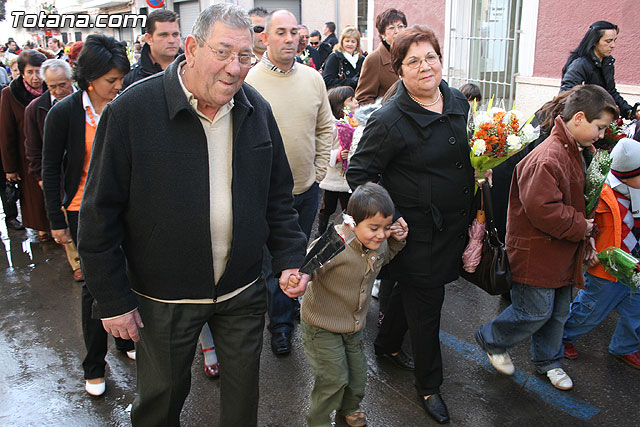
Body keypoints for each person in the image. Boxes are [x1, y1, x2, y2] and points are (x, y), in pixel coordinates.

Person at [76, 5, 308, 425]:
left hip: (241, 291)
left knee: (243, 401)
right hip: (164, 299)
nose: (235, 68)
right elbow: (98, 215)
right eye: (223, 52)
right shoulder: (132, 111)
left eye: (244, 56)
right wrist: (112, 300)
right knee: (160, 401)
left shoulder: (255, 109)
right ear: (192, 48)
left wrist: (290, 258)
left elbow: (277, 196)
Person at [347, 25, 475, 424]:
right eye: (413, 61)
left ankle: (386, 344)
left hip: (455, 224)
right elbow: (359, 173)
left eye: (430, 57)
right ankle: (429, 385)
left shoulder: (457, 100)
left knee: (410, 291)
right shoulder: (389, 119)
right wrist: (392, 216)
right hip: (416, 234)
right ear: (399, 70)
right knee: (428, 307)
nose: (425, 67)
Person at [474, 85, 619, 392]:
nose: (602, 134)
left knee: (558, 313)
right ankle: (492, 338)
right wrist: (581, 228)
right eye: (599, 126)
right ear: (579, 118)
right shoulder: (548, 157)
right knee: (533, 312)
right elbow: (543, 210)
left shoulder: (578, 150)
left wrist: (586, 236)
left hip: (562, 252)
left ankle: (548, 361)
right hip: (536, 254)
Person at [42, 35, 136, 397]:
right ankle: (94, 365)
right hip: (82, 210)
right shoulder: (64, 113)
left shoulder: (125, 105)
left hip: (125, 210)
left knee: (128, 277)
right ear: (90, 79)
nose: (118, 86)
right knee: (96, 288)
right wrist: (56, 220)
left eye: (121, 78)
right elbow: (51, 169)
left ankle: (125, 340)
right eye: (112, 80)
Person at [246, 9, 333, 356]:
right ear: (265, 38)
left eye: (293, 31)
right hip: (267, 197)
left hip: (306, 189)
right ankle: (280, 326)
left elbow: (325, 126)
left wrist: (319, 170)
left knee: (297, 256)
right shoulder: (249, 82)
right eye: (280, 32)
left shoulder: (313, 79)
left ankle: (287, 304)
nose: (289, 38)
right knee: (274, 264)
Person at [300, 182, 406, 427]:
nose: (381, 235)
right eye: (374, 228)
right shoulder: (336, 244)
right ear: (353, 222)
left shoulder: (379, 244)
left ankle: (349, 407)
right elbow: (307, 266)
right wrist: (299, 277)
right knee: (333, 379)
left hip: (353, 328)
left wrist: (396, 242)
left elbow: (385, 257)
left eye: (386, 227)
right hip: (321, 327)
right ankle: (318, 421)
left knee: (358, 375)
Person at [562, 137, 640, 369]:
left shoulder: (636, 189)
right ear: (627, 174)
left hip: (634, 264)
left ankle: (625, 346)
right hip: (606, 267)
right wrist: (589, 248)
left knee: (636, 309)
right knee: (590, 310)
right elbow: (585, 225)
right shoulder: (601, 192)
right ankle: (563, 336)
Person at [24, 58, 83, 281]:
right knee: (67, 218)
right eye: (52, 87)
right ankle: (77, 262)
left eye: (62, 85)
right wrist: (39, 174)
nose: (58, 91)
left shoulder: (85, 102)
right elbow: (33, 146)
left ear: (71, 80)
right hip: (58, 176)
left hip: (83, 173)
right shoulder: (36, 109)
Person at [0, 50, 51, 240]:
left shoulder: (52, 88)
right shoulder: (10, 94)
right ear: (22, 73)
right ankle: (42, 229)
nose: (35, 77)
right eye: (30, 72)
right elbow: (6, 133)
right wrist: (10, 168)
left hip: (50, 151)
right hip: (26, 155)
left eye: (39, 71)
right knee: (34, 197)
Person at [561, 21, 640, 121]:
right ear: (594, 41)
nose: (613, 45)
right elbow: (567, 96)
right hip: (582, 121)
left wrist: (629, 111)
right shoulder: (580, 65)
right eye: (608, 41)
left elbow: (610, 92)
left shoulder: (607, 62)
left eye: (614, 40)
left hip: (598, 119)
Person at [317, 86, 359, 234]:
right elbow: (324, 150)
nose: (356, 102)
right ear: (341, 105)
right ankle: (320, 232)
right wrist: (338, 155)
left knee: (349, 208)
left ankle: (347, 234)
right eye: (351, 100)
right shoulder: (333, 127)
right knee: (328, 206)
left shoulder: (356, 124)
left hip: (349, 176)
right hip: (334, 177)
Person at [355, 8, 407, 105]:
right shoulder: (374, 59)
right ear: (382, 34)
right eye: (391, 28)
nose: (397, 31)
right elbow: (363, 99)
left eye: (400, 26)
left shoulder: (410, 54)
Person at [122, 9, 180, 90]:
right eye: (164, 35)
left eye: (175, 34)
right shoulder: (130, 78)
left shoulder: (191, 68)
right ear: (149, 38)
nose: (171, 40)